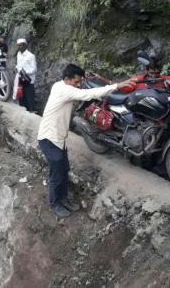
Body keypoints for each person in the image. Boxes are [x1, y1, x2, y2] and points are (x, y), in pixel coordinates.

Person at [37, 64, 135, 218]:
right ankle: (55, 203)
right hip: (49, 138)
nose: (78, 84)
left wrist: (97, 79)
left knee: (64, 170)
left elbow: (85, 90)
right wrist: (117, 85)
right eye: (76, 82)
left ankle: (63, 199)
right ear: (67, 79)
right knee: (57, 174)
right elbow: (88, 94)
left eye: (80, 81)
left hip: (58, 139)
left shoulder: (59, 85)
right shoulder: (65, 90)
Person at [12, 38, 37, 112]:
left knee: (29, 98)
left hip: (28, 80)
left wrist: (24, 72)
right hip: (20, 79)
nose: (19, 47)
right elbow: (18, 65)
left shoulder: (31, 56)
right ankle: (23, 113)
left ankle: (32, 113)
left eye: (21, 45)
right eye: (18, 45)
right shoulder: (18, 54)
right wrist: (16, 69)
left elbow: (34, 69)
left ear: (25, 45)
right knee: (21, 98)